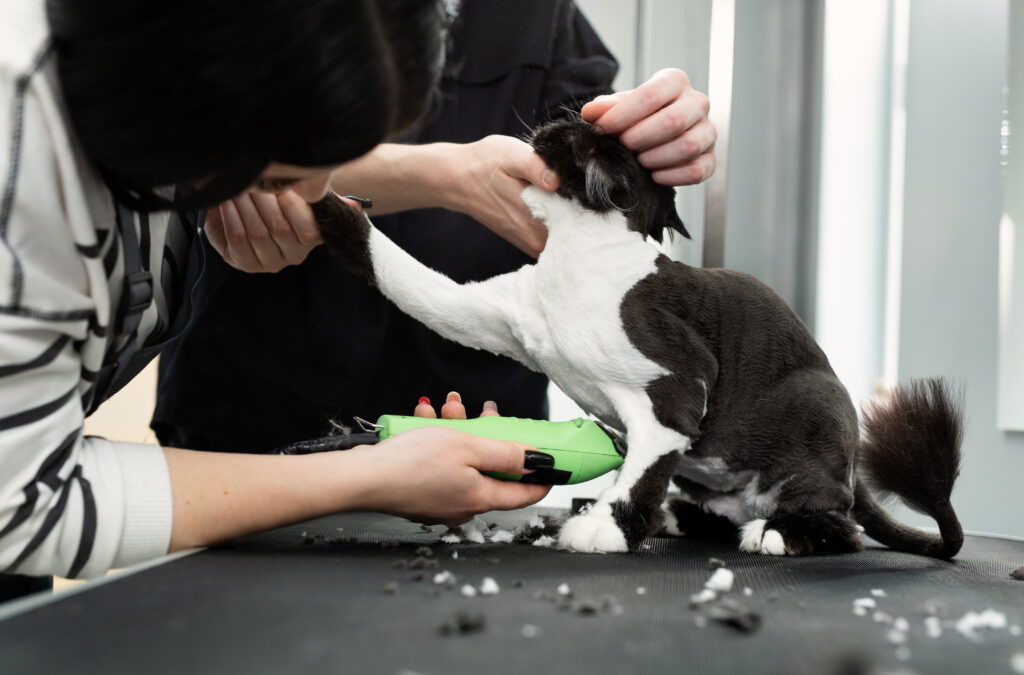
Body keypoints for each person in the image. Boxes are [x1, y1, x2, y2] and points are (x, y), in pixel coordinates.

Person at [0, 0, 556, 599]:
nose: (317, 197)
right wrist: (371, 477)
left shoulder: (173, 101)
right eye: (274, 181)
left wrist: (453, 175)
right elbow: (24, 503)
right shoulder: (19, 152)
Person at [152, 0, 718, 455]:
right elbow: (201, 149)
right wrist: (448, 175)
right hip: (253, 415)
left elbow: (605, 196)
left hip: (475, 429)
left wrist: (643, 147)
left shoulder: (546, 22)